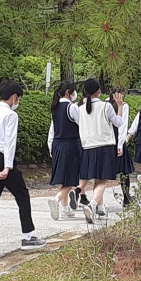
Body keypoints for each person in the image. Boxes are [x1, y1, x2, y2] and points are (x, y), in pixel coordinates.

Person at [0, 81, 46, 261]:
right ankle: (27, 236)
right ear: (14, 97)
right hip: (3, 160)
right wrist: (7, 167)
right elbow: (9, 142)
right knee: (22, 194)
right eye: (18, 98)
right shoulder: (10, 115)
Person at [79, 79, 124, 223]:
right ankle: (92, 205)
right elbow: (118, 122)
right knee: (103, 179)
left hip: (88, 146)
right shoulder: (106, 106)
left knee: (96, 179)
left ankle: (100, 208)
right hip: (105, 146)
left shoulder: (80, 108)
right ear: (99, 90)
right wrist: (120, 106)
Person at [46, 81, 80, 220]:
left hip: (57, 144)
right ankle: (56, 200)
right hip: (70, 145)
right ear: (68, 92)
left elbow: (52, 130)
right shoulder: (71, 107)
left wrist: (51, 147)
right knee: (71, 179)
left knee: (64, 178)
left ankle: (66, 209)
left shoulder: (55, 107)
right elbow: (82, 125)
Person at [109, 88, 134, 207]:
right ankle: (126, 198)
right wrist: (121, 144)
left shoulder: (106, 104)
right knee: (124, 171)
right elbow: (122, 126)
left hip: (107, 140)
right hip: (118, 140)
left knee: (102, 172)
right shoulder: (123, 106)